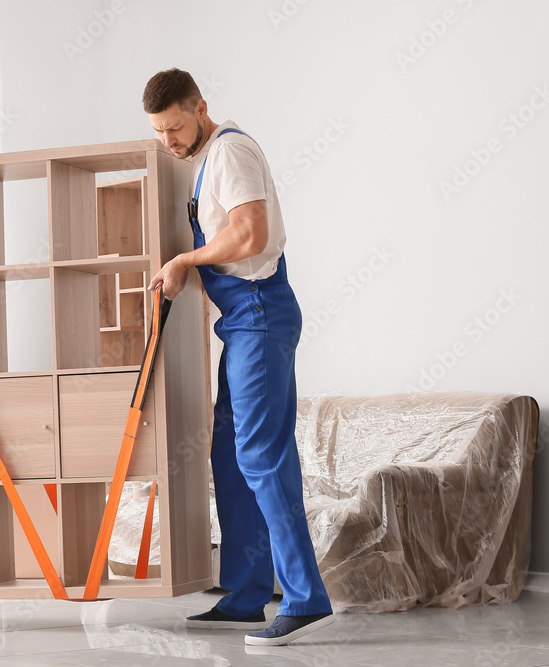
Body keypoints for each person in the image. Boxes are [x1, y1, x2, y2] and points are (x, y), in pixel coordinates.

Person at [143, 68, 334, 647]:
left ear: (200, 107)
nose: (169, 141)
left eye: (175, 127)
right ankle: (247, 595)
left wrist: (184, 260)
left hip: (259, 310)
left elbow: (250, 233)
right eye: (159, 132)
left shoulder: (229, 151)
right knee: (229, 454)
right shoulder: (204, 159)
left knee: (261, 454)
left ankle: (304, 597)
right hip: (240, 320)